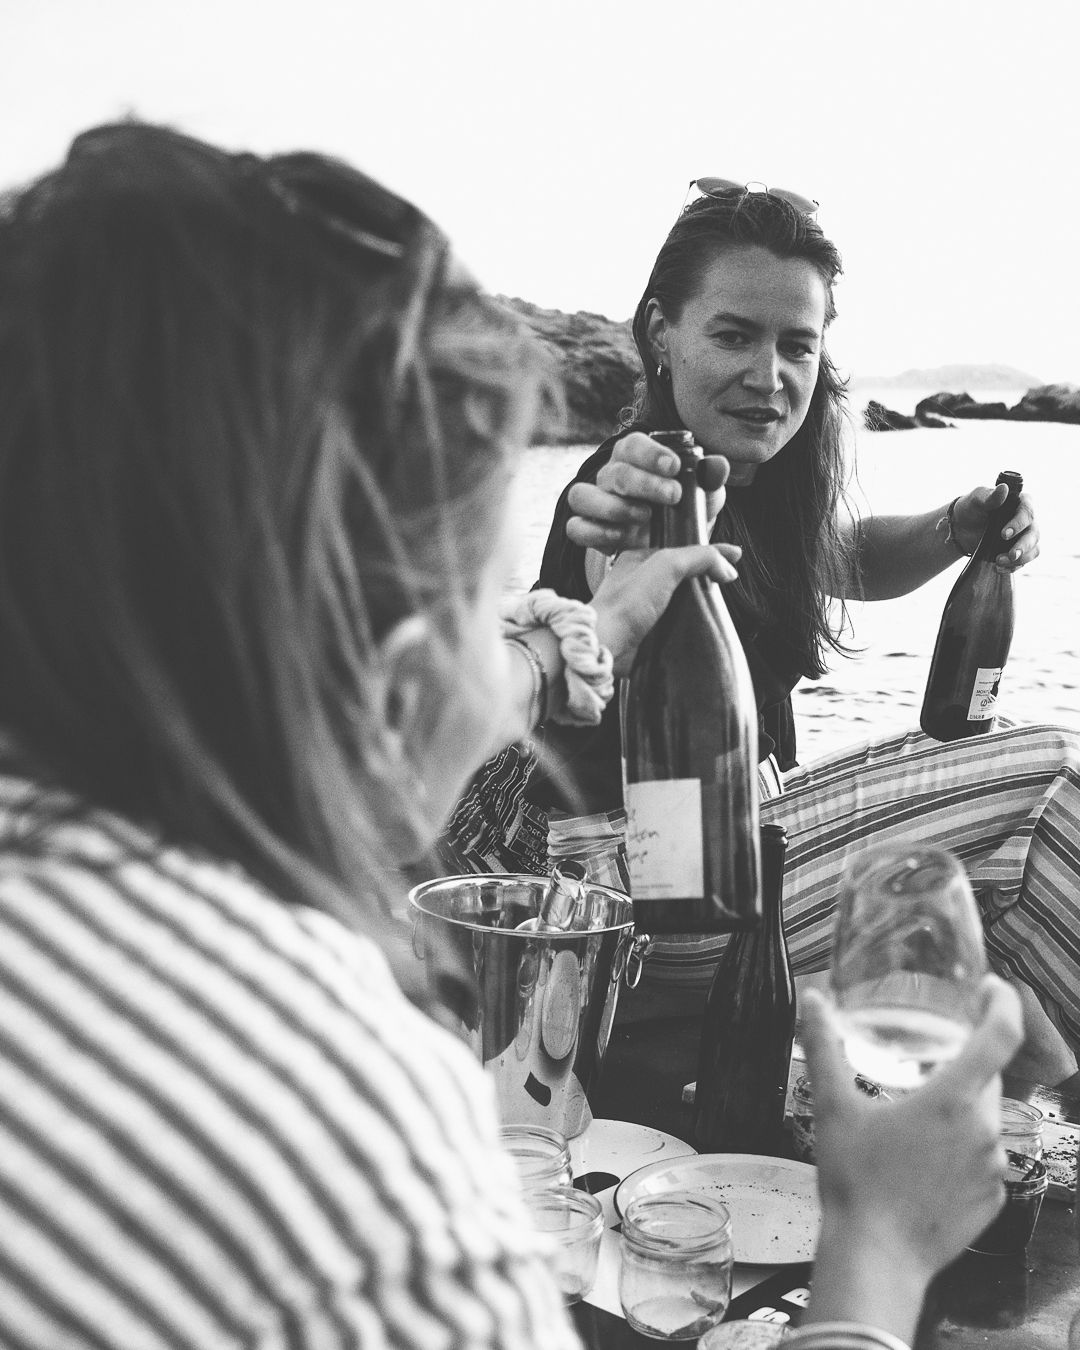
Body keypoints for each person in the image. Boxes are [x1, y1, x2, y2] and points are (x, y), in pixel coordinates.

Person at [0, 122, 748, 1349]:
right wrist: (880, 1260)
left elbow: (422, 686)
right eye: (483, 597)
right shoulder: (345, 1135)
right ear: (397, 690)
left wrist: (578, 633)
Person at [443, 182, 1080, 1082]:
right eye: (734, 335)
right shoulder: (645, 481)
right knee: (1046, 779)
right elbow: (607, 559)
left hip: (733, 854)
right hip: (629, 891)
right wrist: (621, 531)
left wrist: (954, 528)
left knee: (1006, 966)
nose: (769, 374)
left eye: (796, 345)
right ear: (661, 332)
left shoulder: (756, 482)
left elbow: (842, 558)